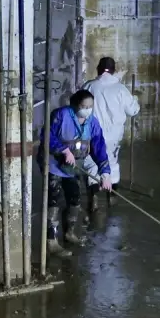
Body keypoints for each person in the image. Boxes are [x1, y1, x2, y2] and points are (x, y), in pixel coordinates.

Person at [46, 90, 113, 258]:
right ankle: (51, 240)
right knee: (54, 200)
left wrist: (105, 173)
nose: (87, 110)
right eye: (84, 106)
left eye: (90, 107)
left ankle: (69, 232)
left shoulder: (92, 122)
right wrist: (63, 150)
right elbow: (47, 135)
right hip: (54, 164)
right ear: (75, 105)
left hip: (75, 166)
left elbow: (98, 146)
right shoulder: (61, 115)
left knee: (75, 198)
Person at [81, 57, 140, 203]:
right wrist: (135, 100)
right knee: (111, 162)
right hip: (113, 135)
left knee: (92, 162)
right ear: (113, 71)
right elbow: (133, 111)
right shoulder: (121, 89)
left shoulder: (89, 86)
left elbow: (79, 108)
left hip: (92, 134)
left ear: (98, 69)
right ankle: (112, 196)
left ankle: (93, 196)